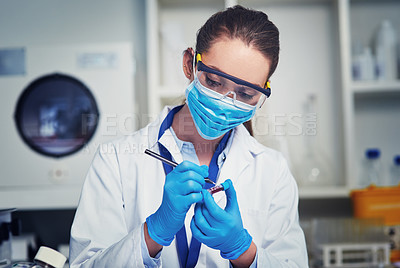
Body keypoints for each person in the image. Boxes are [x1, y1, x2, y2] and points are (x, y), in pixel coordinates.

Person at [69, 5, 308, 268]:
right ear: (189, 64)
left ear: (262, 93)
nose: (225, 102)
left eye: (246, 94)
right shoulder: (115, 160)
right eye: (215, 82)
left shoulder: (273, 171)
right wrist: (154, 232)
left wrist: (242, 250)